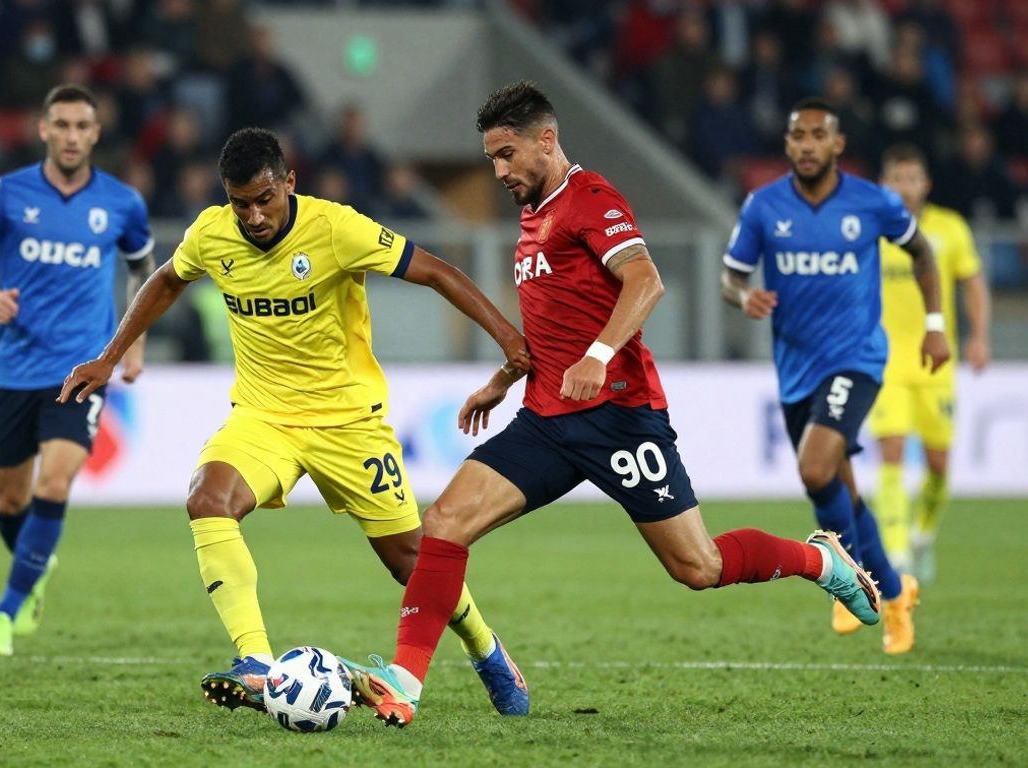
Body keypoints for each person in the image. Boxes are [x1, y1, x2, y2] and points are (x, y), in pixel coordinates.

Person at [340, 81, 885, 729]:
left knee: (698, 566)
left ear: (546, 139)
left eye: (507, 155)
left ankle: (820, 559)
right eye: (492, 159)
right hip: (547, 420)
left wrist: (599, 356)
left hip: (621, 419)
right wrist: (505, 378)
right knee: (444, 523)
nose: (500, 171)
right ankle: (404, 683)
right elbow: (556, 321)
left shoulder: (590, 199)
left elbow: (646, 281)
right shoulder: (532, 216)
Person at [60, 127, 533, 717]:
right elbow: (167, 280)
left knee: (410, 561)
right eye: (240, 204)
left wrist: (508, 337)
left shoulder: (337, 228)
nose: (254, 217)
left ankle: (487, 650)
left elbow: (437, 271)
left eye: (264, 200)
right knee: (207, 499)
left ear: (289, 181)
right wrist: (109, 356)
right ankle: (256, 663)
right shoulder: (211, 233)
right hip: (264, 417)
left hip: (348, 422)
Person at [721, 98, 950, 654]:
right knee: (839, 487)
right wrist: (743, 296)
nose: (807, 145)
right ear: (787, 144)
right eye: (797, 135)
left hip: (856, 358)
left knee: (815, 466)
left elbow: (922, 254)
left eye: (817, 135)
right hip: (797, 371)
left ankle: (844, 579)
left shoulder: (873, 202)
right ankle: (893, 592)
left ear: (837, 144)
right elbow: (730, 276)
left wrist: (935, 325)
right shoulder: (764, 206)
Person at [0, 84, 154, 657]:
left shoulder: (122, 202)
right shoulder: (9, 194)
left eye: (82, 126)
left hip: (82, 368)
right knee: (9, 502)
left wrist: (133, 345)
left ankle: (5, 611)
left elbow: (146, 271)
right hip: (16, 369)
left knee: (54, 482)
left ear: (95, 134)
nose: (72, 136)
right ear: (44, 129)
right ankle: (35, 567)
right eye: (62, 125)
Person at [869, 143, 990, 584]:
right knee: (892, 452)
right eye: (897, 179)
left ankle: (921, 535)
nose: (905, 187)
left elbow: (973, 284)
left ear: (926, 184)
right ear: (884, 184)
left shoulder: (950, 229)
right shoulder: (870, 231)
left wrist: (979, 337)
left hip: (935, 363)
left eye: (912, 179)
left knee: (938, 464)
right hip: (883, 363)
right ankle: (897, 555)